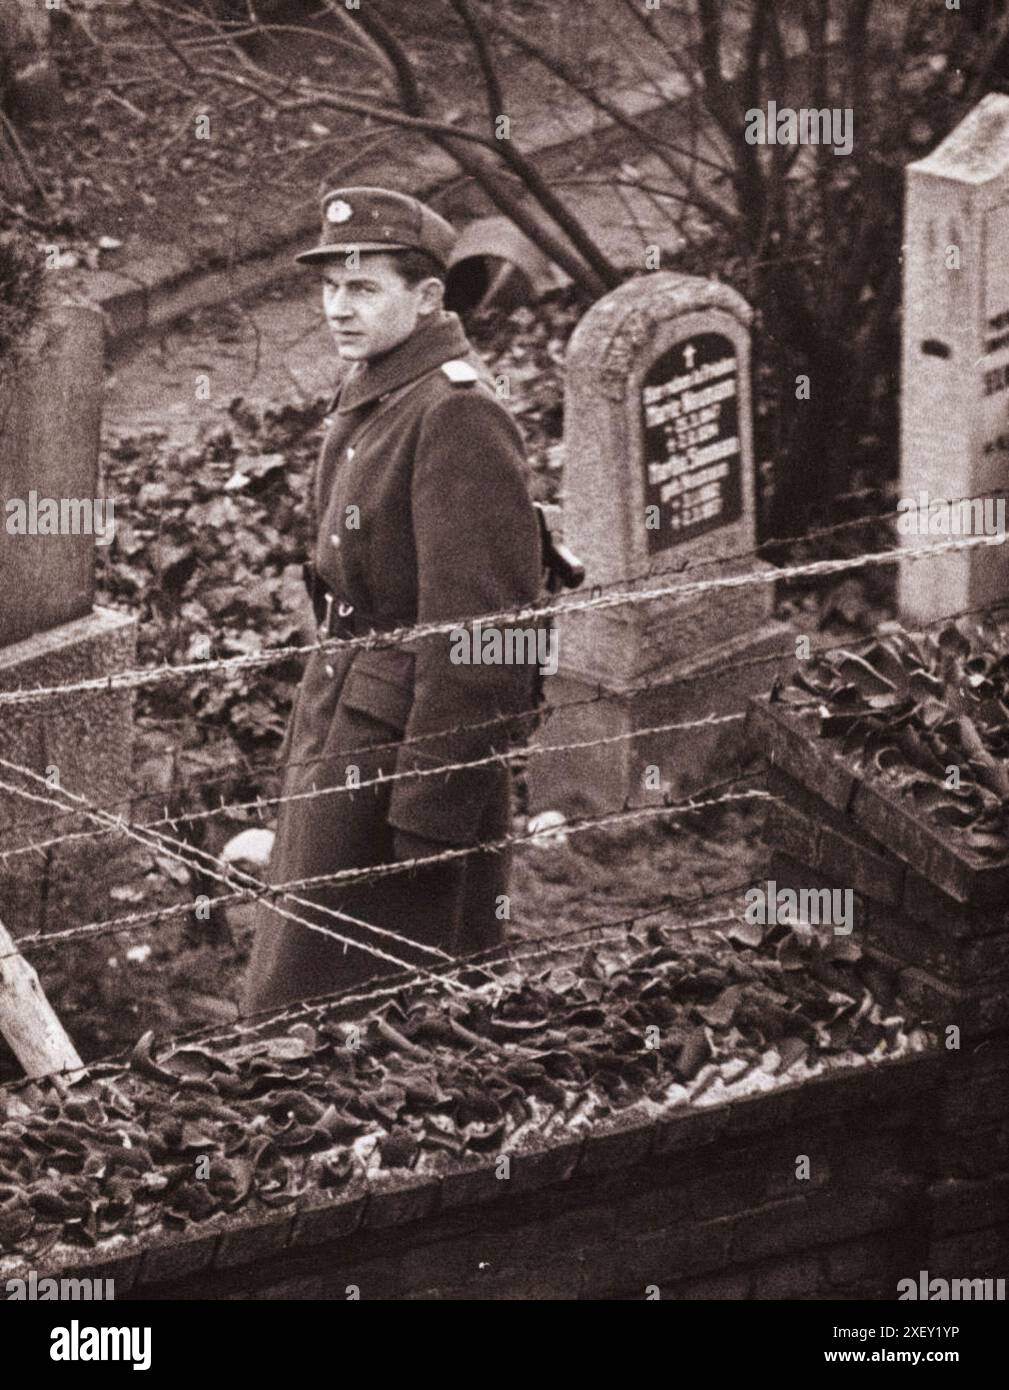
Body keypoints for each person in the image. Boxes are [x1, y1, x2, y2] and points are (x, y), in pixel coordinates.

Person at [241, 186, 544, 1013]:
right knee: (325, 990)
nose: (338, 308)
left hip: (402, 750)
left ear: (427, 297)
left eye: (363, 288)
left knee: (351, 997)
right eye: (331, 286)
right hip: (350, 710)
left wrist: (433, 809)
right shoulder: (381, 385)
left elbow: (485, 635)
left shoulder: (454, 413)